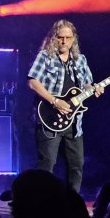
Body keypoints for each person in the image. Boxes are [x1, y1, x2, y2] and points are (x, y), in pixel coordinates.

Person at [27, 19, 102, 193]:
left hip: (74, 122)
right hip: (50, 118)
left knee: (76, 165)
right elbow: (32, 82)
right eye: (60, 37)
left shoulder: (80, 60)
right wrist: (54, 101)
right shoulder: (45, 57)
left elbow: (87, 85)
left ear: (73, 39)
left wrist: (95, 88)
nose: (64, 41)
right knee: (47, 164)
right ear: (54, 37)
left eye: (68, 38)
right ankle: (41, 201)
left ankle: (72, 201)